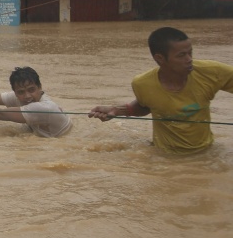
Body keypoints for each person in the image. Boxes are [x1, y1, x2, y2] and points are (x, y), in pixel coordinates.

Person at [88, 27, 233, 154]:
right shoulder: (142, 83)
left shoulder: (212, 72)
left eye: (190, 53)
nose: (189, 59)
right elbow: (145, 107)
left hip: (206, 152)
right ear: (160, 58)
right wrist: (116, 110)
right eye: (181, 55)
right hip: (164, 156)